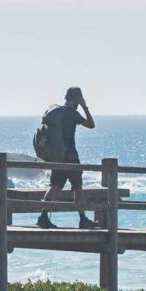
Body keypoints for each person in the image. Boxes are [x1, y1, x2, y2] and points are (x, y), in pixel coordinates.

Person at [37, 87, 97, 229]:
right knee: (78, 188)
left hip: (58, 157)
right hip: (70, 157)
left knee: (55, 186)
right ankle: (83, 219)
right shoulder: (73, 114)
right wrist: (84, 106)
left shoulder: (57, 112)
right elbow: (91, 125)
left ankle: (43, 216)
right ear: (77, 98)